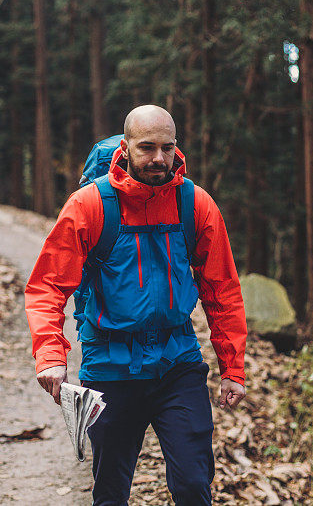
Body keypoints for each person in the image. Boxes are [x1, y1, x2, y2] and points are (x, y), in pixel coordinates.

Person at [25, 105, 247, 505]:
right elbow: (47, 287)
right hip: (109, 366)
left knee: (194, 485)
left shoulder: (195, 205)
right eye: (146, 148)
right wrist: (50, 355)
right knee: (110, 492)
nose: (158, 158)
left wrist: (233, 367)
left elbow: (222, 290)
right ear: (125, 147)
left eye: (167, 147)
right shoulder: (89, 205)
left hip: (177, 362)